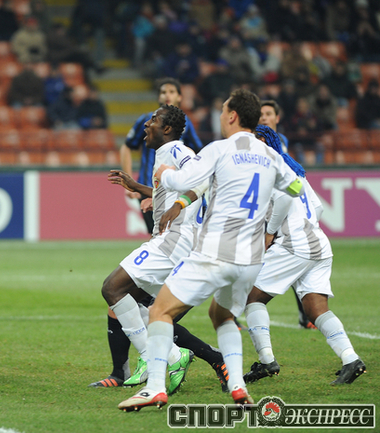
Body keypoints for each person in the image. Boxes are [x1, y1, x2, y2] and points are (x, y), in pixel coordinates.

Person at [118, 89, 305, 411]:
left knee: (159, 311)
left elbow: (183, 180)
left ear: (232, 116)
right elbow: (295, 187)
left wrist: (165, 175)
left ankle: (155, 388)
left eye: (222, 111)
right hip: (251, 258)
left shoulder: (219, 149)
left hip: (216, 250)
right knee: (222, 316)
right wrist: (269, 221)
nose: (219, 116)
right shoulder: (270, 156)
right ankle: (237, 385)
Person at [90, 105, 228, 394]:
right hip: (173, 240)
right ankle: (189, 357)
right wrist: (136, 186)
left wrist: (178, 205)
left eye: (153, 120)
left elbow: (204, 179)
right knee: (137, 305)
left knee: (112, 288)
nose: (146, 125)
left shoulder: (177, 150)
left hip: (174, 240)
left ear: (166, 129)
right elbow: (170, 190)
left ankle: (165, 357)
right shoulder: (164, 154)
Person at [243, 125, 366, 386]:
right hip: (318, 243)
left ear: (263, 141)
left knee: (251, 297)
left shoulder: (271, 167)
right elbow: (318, 208)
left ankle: (266, 361)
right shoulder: (294, 168)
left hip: (294, 245)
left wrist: (270, 232)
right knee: (315, 309)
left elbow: (284, 199)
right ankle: (351, 359)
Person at [259, 99, 316, 329]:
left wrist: (270, 230)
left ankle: (231, 313)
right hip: (272, 216)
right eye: (261, 114)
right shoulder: (265, 143)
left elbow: (287, 192)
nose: (264, 117)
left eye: (268, 113)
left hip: (278, 221)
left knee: (254, 287)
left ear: (277, 117)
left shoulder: (276, 146)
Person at [121, 77, 203, 235]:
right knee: (159, 234)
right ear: (159, 96)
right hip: (148, 185)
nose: (167, 95)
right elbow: (127, 146)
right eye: (163, 92)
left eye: (171, 92)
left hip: (173, 189)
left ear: (179, 97)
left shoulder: (185, 124)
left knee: (166, 235)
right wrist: (129, 179)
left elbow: (199, 152)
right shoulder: (146, 121)